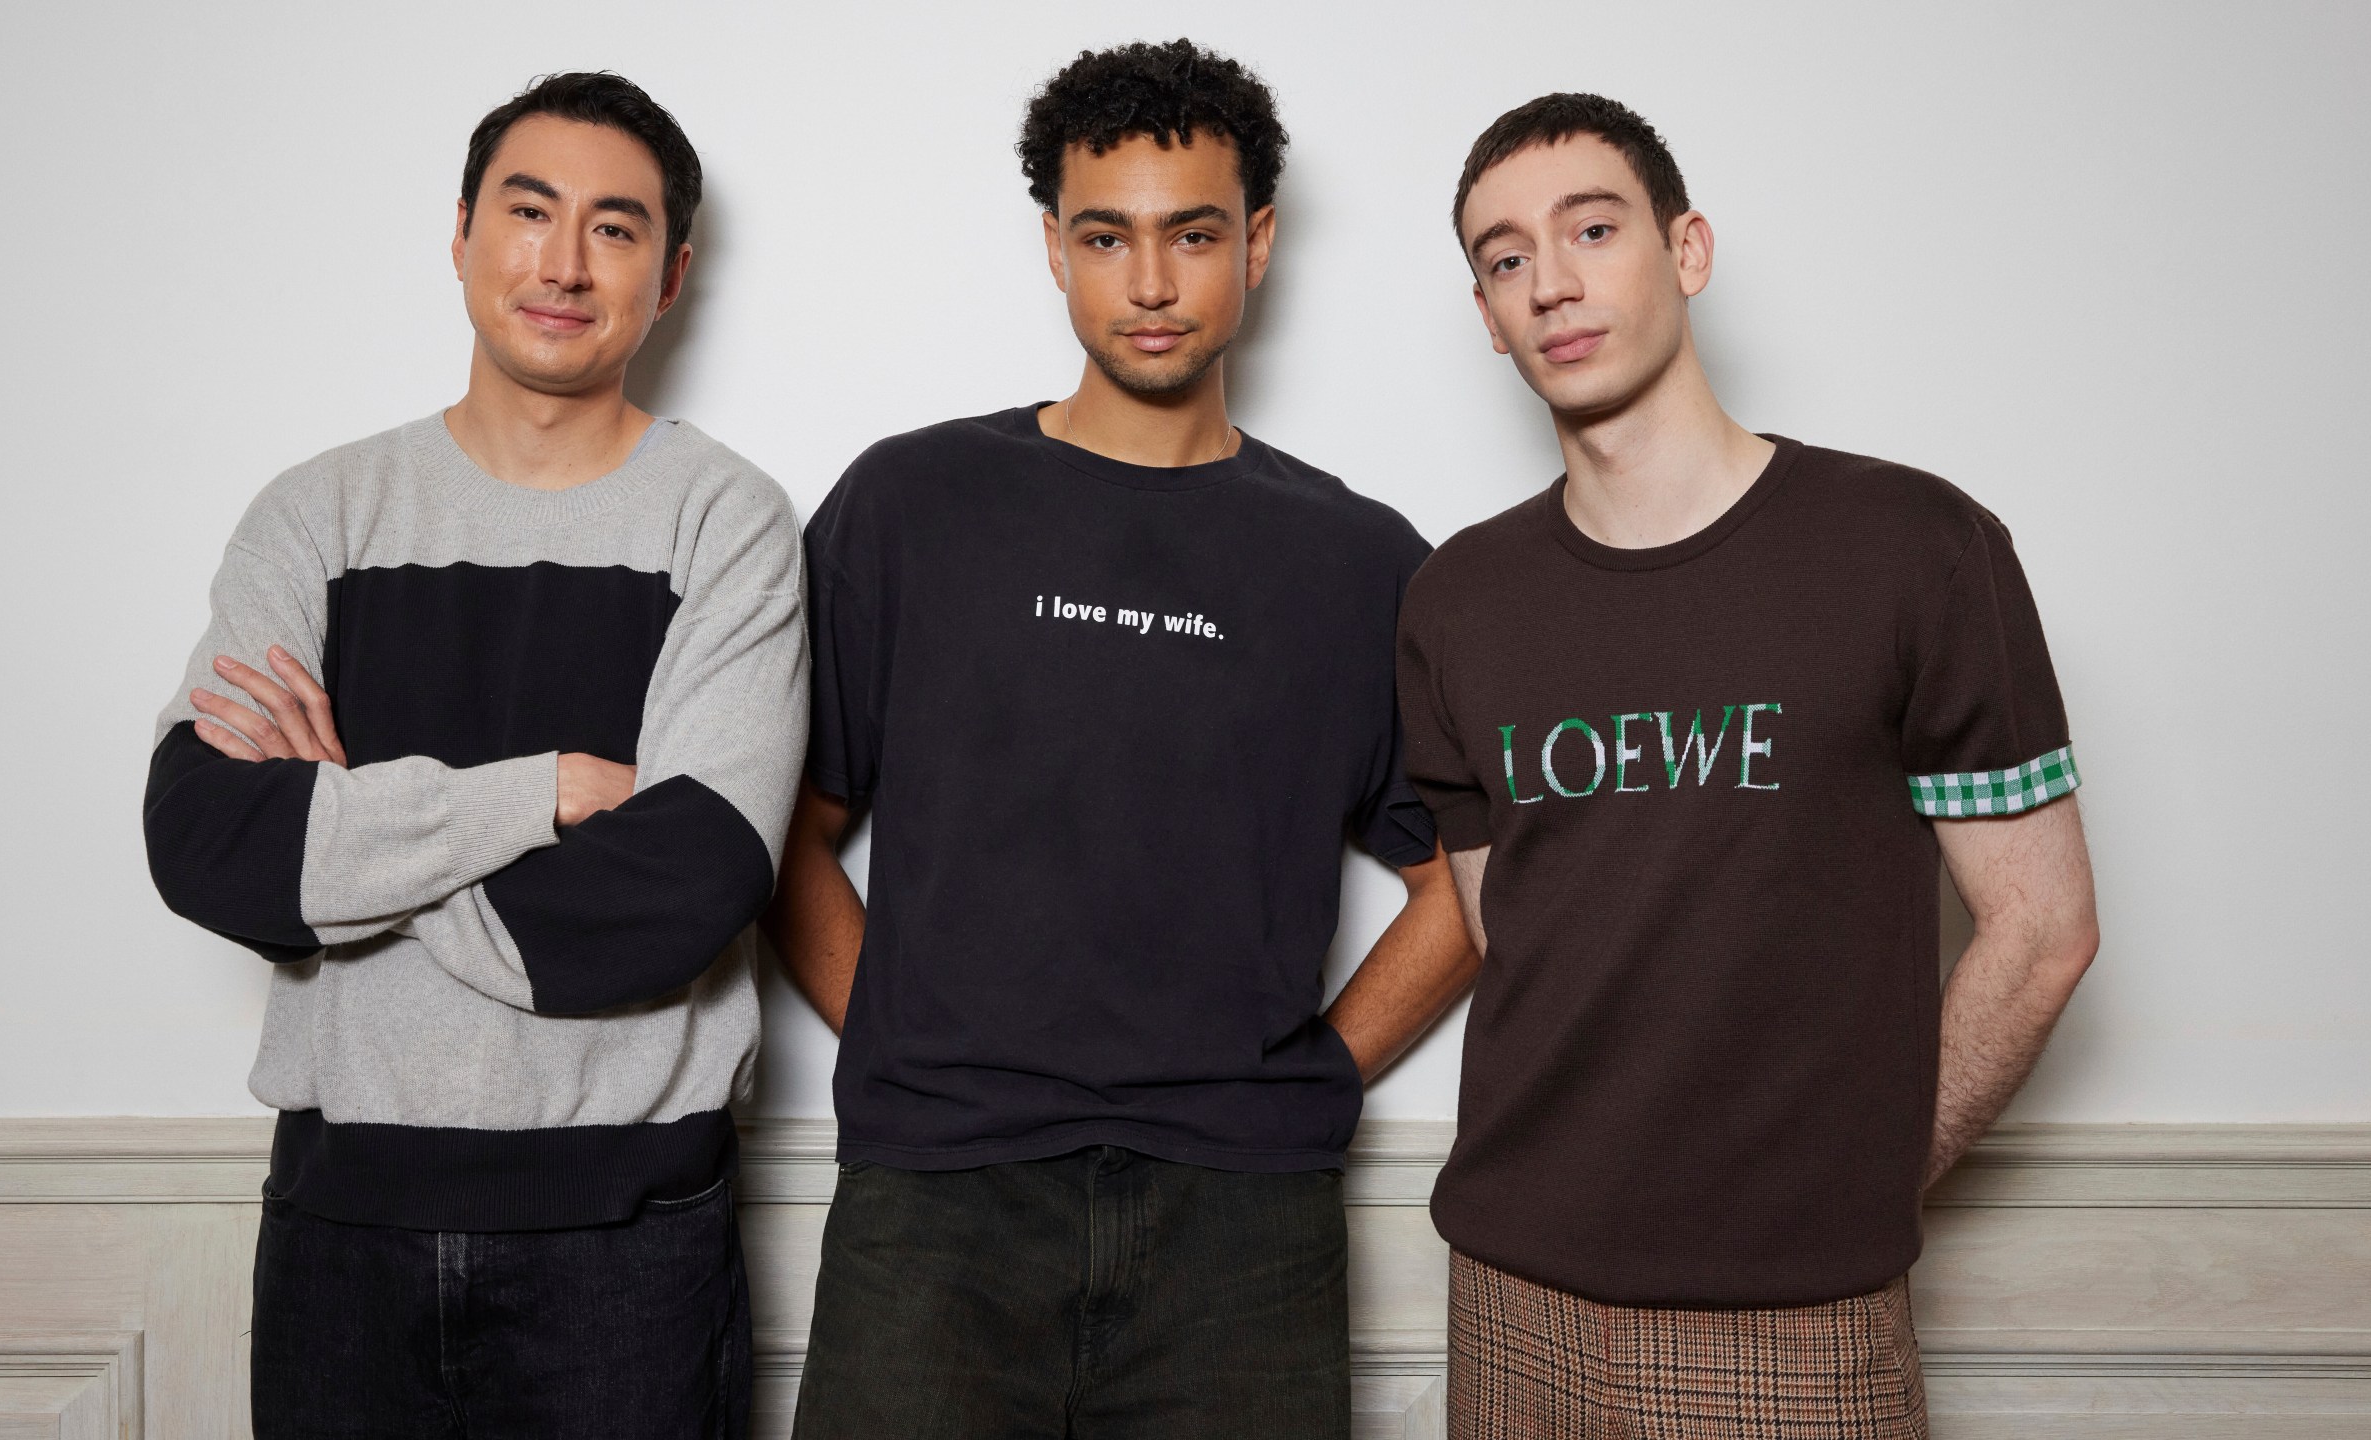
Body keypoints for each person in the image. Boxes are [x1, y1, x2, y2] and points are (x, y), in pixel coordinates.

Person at [764, 39, 1481, 1440]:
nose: (1150, 285)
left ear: (1257, 243)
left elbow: (1465, 882)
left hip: (1241, 1222)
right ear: (1055, 248)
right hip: (937, 1204)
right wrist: (908, 1036)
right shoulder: (912, 505)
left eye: (1193, 235)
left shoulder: (1360, 562)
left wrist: (1317, 1077)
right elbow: (785, 834)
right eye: (1108, 237)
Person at [1398, 93, 2100, 1439]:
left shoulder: (1917, 550)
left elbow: (2045, 928)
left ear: (1688, 250)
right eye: (1503, 258)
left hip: (1792, 1317)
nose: (1550, 282)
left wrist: (1872, 1173)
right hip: (1503, 1290)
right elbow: (1517, 935)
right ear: (1486, 316)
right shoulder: (1455, 600)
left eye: (1591, 229)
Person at [139, 72, 804, 1439]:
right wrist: (540, 795)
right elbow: (205, 838)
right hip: (341, 1219)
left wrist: (347, 844)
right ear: (460, 233)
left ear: (671, 275)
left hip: (628, 1232)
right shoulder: (317, 514)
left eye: (615, 229)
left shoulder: (725, 524)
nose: (563, 262)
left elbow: (680, 889)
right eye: (529, 210)